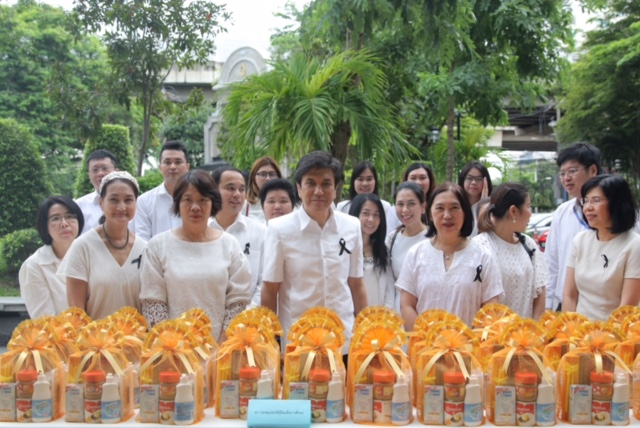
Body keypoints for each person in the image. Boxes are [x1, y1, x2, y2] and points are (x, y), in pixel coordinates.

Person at [261, 151, 366, 353]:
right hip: (297, 342)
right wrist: (270, 342)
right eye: (310, 183)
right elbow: (270, 289)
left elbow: (356, 284)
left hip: (342, 340)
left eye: (326, 184)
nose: (318, 191)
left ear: (336, 190)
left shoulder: (352, 226)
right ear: (299, 189)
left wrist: (364, 330)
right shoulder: (279, 229)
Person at [140, 170, 252, 341]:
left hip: (219, 348)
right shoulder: (158, 246)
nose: (195, 207)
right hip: (173, 350)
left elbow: (238, 300)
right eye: (187, 200)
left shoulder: (229, 244)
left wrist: (221, 346)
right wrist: (169, 346)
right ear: (177, 203)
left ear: (213, 203)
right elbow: (153, 303)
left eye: (203, 200)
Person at [396, 183, 504, 328]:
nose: (447, 215)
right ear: (430, 214)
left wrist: (468, 344)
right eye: (440, 208)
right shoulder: (415, 254)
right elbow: (407, 305)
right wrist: (425, 340)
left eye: (454, 208)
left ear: (465, 212)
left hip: (470, 347)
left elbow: (490, 309)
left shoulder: (483, 256)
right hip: (425, 348)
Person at [59, 171, 146, 319]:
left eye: (128, 200)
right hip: (95, 340)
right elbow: (76, 312)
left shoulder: (145, 248)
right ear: (101, 203)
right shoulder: (82, 247)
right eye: (114, 199)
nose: (121, 207)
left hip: (137, 340)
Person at [563, 175, 640, 321]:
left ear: (617, 204)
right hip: (579, 336)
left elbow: (627, 308)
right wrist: (569, 332)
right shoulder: (580, 241)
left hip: (616, 336)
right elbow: (570, 295)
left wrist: (603, 340)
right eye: (586, 201)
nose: (588, 207)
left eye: (596, 200)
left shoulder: (634, 245)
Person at [475, 183, 549, 320]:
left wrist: (535, 333)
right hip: (490, 337)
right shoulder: (480, 247)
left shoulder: (528, 244)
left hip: (525, 337)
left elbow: (540, 295)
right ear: (513, 211)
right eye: (528, 206)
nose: (531, 213)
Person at [544, 142, 601, 311]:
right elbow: (551, 263)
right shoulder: (562, 212)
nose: (566, 178)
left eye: (572, 171)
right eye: (562, 173)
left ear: (593, 170)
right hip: (565, 307)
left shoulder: (618, 212)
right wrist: (548, 307)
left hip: (602, 309)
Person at [210, 166, 266, 308]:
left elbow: (264, 281)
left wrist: (247, 314)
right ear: (214, 190)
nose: (237, 194)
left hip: (247, 320)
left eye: (241, 189)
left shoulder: (260, 232)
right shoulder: (200, 230)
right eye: (230, 188)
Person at [19, 196, 84, 318]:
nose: (64, 224)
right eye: (56, 219)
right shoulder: (34, 266)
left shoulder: (91, 256)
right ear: (45, 226)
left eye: (70, 217)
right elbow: (45, 322)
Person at [385, 182, 429, 312]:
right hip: (399, 312)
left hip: (429, 310)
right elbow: (388, 282)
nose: (405, 210)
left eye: (411, 204)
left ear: (423, 207)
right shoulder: (392, 239)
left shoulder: (434, 238)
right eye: (400, 204)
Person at [135, 141, 190, 241]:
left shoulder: (200, 199)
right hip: (156, 256)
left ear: (187, 167)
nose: (173, 167)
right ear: (160, 168)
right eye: (167, 162)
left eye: (178, 162)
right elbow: (142, 240)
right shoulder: (144, 201)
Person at [348, 193, 394, 308]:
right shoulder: (345, 250)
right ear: (355, 214)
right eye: (366, 213)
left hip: (378, 320)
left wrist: (386, 317)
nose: (371, 219)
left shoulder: (383, 250)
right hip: (353, 319)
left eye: (376, 215)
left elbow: (389, 290)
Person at [337, 161, 393, 227]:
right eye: (360, 179)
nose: (365, 184)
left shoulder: (385, 207)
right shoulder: (342, 208)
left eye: (369, 179)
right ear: (353, 182)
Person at [75, 149, 118, 234]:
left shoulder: (135, 203)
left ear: (116, 172)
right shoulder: (79, 206)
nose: (100, 173)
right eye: (95, 170)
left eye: (105, 168)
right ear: (89, 175)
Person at [387, 162, 436, 230]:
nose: (418, 182)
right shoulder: (395, 210)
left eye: (422, 178)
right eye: (413, 178)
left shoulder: (437, 206)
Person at [457, 161, 493, 236]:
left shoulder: (493, 206)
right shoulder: (456, 204)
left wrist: (484, 205)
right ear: (463, 180)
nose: (473, 182)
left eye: (479, 179)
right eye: (469, 178)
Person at [245, 156, 282, 222]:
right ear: (253, 178)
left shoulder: (285, 204)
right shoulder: (244, 206)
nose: (268, 178)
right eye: (263, 174)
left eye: (272, 174)